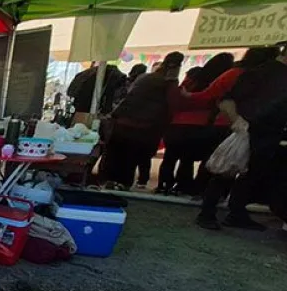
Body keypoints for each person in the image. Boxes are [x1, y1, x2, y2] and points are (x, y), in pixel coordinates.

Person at [197, 44, 287, 231]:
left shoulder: (260, 72)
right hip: (249, 130)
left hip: (264, 132)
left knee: (249, 174)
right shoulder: (262, 73)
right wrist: (238, 122)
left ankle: (235, 212)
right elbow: (226, 100)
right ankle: (209, 213)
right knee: (228, 171)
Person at [103, 52, 184, 190]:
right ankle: (122, 186)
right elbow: (173, 105)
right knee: (131, 161)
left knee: (116, 158)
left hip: (122, 123)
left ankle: (109, 184)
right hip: (144, 128)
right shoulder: (169, 83)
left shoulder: (145, 78)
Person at [157, 54, 234, 195]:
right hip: (201, 125)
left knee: (170, 157)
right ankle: (188, 186)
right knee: (191, 159)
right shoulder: (220, 82)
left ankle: (164, 185)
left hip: (177, 124)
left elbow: (177, 97)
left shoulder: (193, 78)